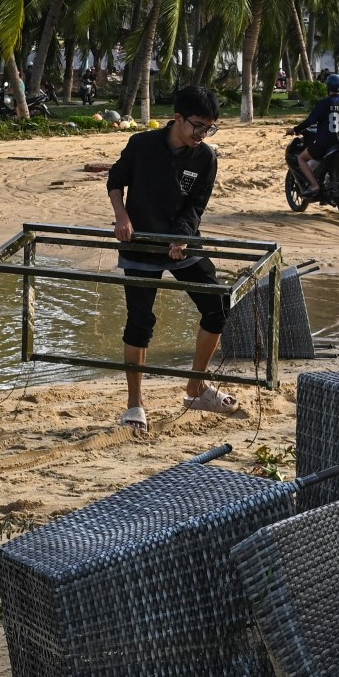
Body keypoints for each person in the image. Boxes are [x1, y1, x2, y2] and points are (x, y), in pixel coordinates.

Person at [106, 84, 233, 432]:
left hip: (182, 243)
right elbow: (115, 181)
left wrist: (181, 237)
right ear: (177, 118)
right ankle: (135, 404)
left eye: (209, 127)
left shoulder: (205, 157)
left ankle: (195, 386)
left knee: (216, 306)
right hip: (140, 244)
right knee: (140, 322)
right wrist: (122, 216)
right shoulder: (141, 145)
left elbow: (196, 206)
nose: (202, 134)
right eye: (197, 125)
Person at [292, 72, 339, 197]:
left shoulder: (324, 103)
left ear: (328, 87)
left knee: (301, 158)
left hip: (325, 145)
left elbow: (310, 121)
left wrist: (295, 129)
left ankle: (314, 185)